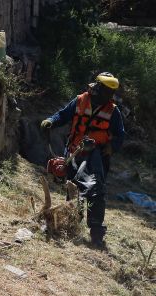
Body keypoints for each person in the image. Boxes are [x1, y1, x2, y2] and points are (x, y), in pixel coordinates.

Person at [40, 72, 126, 247]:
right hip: (74, 151)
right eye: (103, 90)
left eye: (109, 93)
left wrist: (108, 148)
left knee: (95, 191)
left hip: (96, 157)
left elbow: (120, 137)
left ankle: (96, 234)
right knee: (73, 188)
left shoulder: (113, 111)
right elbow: (63, 115)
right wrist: (50, 121)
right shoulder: (80, 100)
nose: (105, 95)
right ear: (98, 87)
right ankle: (71, 225)